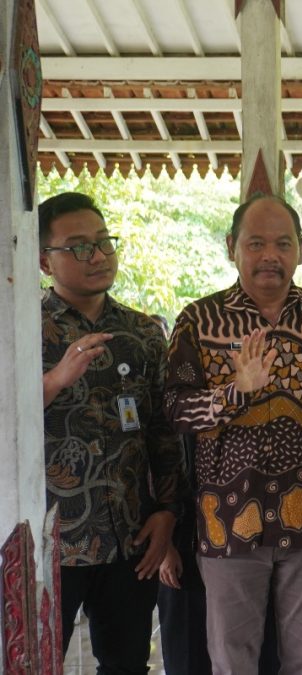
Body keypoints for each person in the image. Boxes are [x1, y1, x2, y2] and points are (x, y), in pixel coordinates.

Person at [165, 194, 302, 673]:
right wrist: (236, 391)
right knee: (233, 661)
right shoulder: (198, 320)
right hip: (227, 522)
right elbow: (175, 409)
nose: (270, 255)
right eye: (256, 243)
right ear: (232, 246)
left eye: (283, 243)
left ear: (299, 250)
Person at [39, 191, 185, 670]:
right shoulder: (20, 326)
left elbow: (163, 433)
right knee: (36, 662)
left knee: (126, 665)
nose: (98, 256)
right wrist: (58, 378)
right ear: (44, 260)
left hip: (131, 538)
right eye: (79, 247)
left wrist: (166, 513)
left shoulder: (143, 333)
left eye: (104, 242)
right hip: (49, 542)